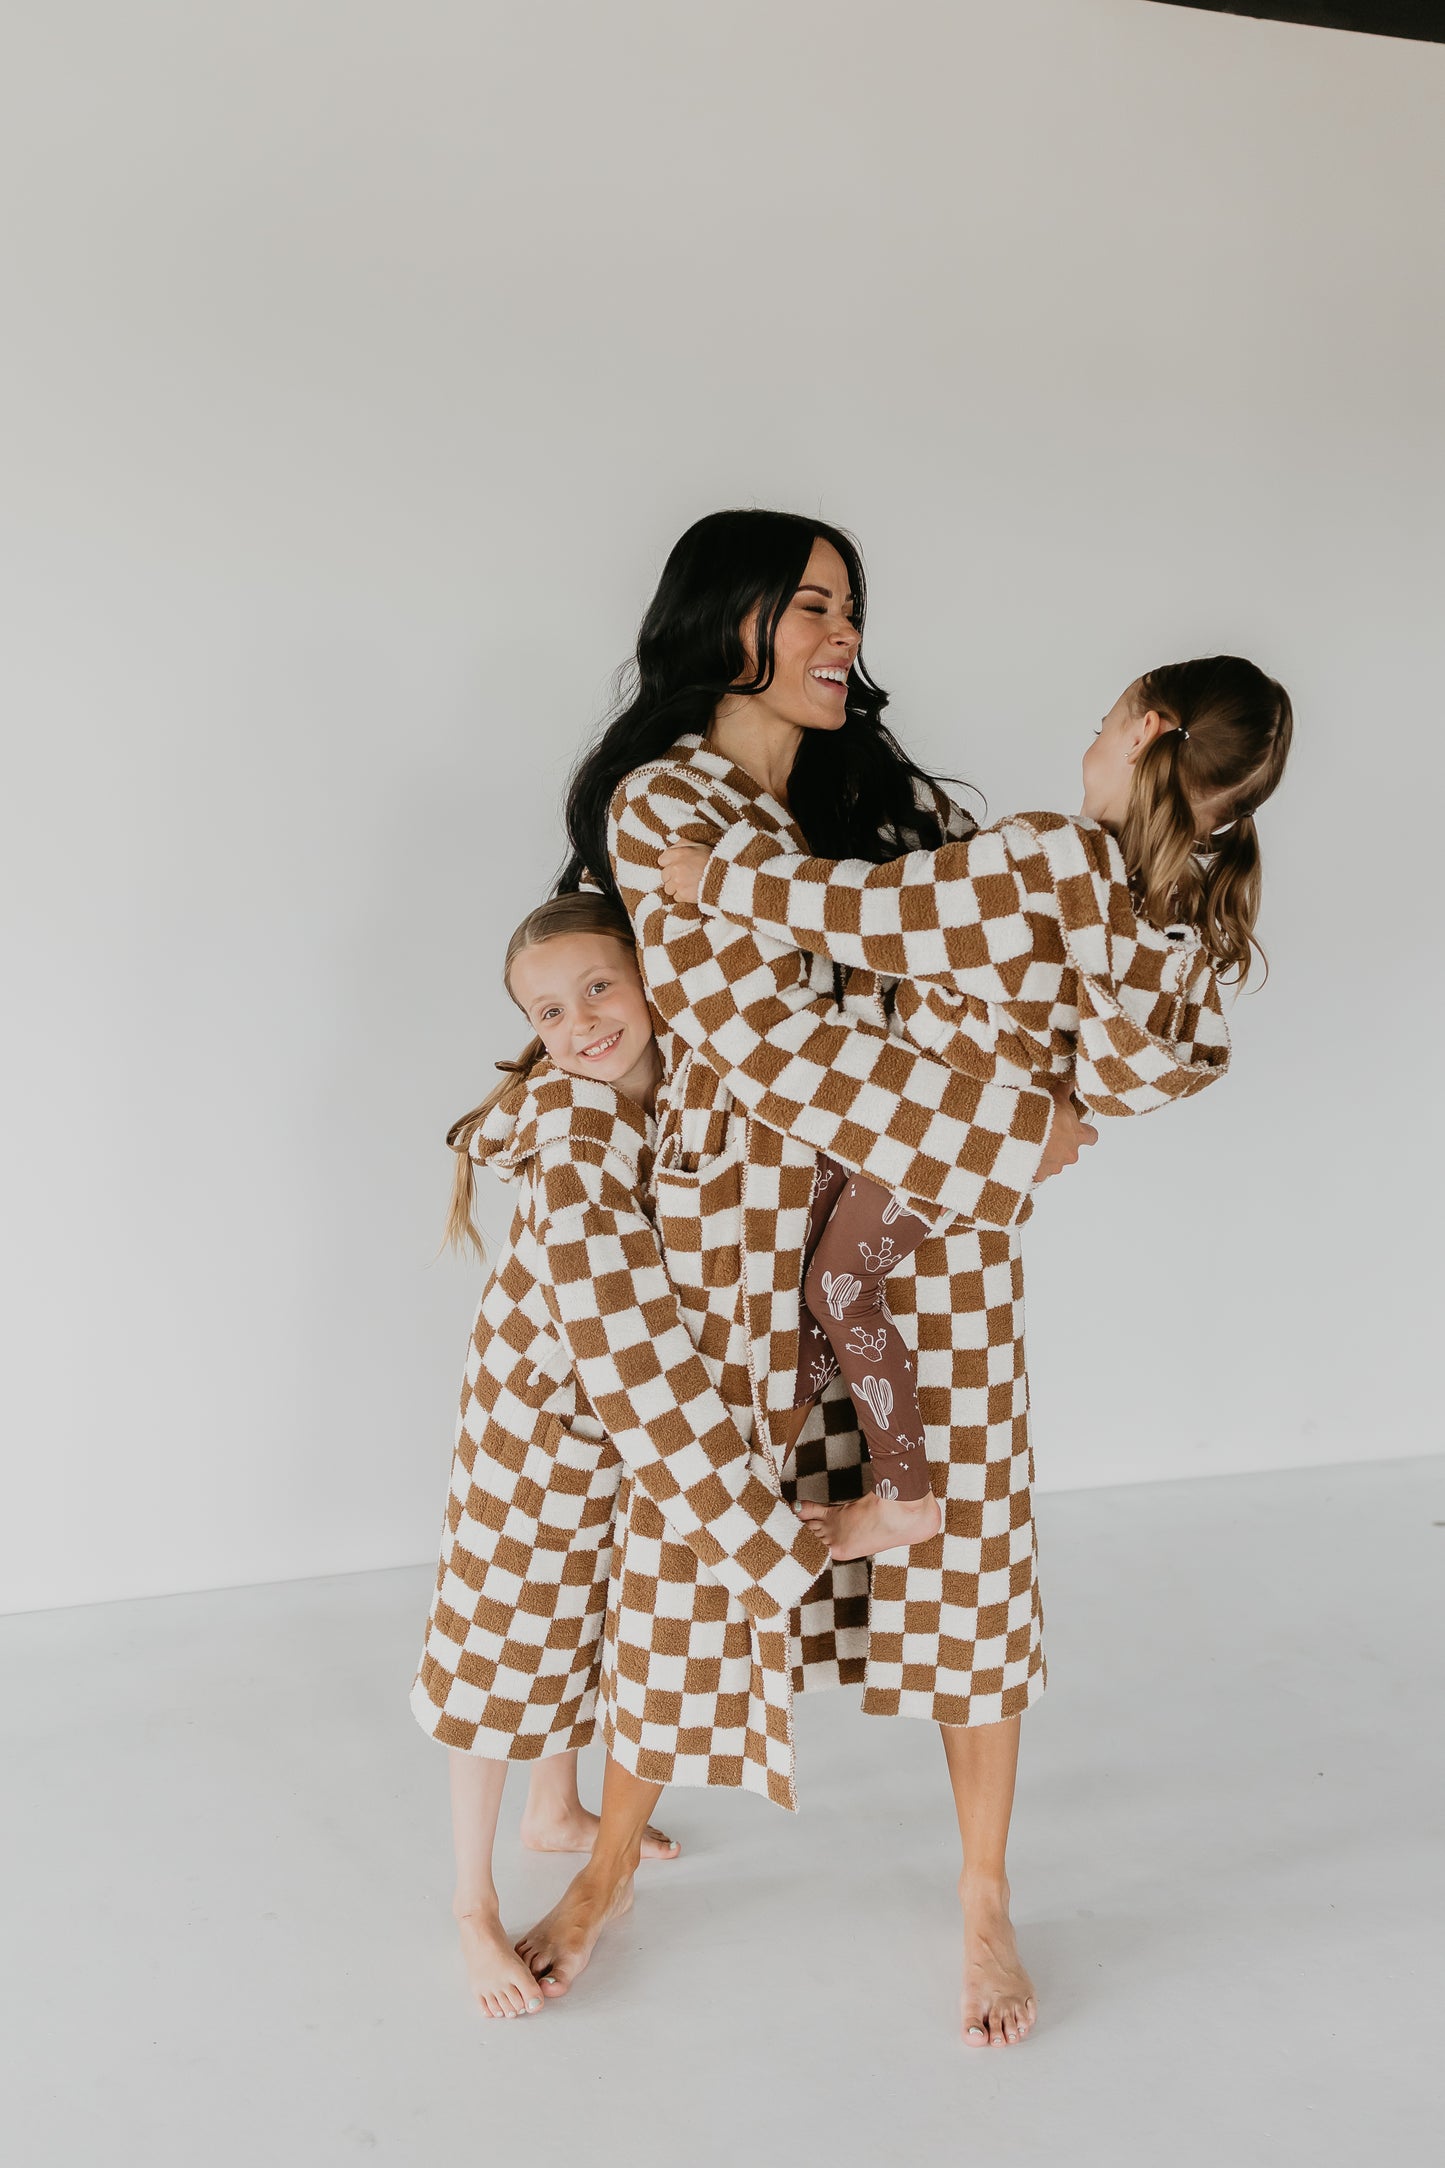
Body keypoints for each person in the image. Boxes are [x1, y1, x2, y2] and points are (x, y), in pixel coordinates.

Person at [516, 510, 1095, 2045]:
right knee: (702, 1535)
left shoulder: (862, 814)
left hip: (916, 1214)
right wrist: (1005, 1127)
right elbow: (765, 1048)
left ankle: (983, 1896)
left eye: (855, 611)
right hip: (748, 1210)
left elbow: (990, 957)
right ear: (734, 620)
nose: (848, 638)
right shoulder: (661, 806)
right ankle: (611, 1866)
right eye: (818, 607)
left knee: (968, 1534)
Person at [657, 653, 1292, 1559]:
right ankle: (768, 1467)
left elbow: (881, 913)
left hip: (935, 1126)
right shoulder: (1160, 904)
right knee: (823, 1289)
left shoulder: (1049, 858)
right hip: (966, 1140)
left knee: (834, 1287)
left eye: (1103, 721)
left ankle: (901, 1498)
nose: (1095, 737)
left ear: (1145, 730)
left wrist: (720, 879)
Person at [410, 891, 826, 2019]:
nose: (583, 1020)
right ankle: (467, 1899)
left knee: (587, 1614)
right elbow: (626, 1350)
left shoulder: (688, 1071)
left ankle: (561, 1811)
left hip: (603, 1420)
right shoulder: (573, 1138)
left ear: (649, 974)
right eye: (550, 1011)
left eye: (598, 985)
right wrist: (771, 1540)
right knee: (500, 1645)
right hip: (536, 1421)